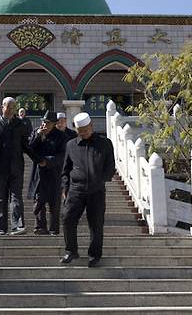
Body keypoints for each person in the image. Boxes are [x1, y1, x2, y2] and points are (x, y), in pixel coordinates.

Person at [60, 113, 115, 267]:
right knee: (67, 218)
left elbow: (110, 167)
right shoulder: (71, 145)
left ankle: (94, 255)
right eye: (80, 131)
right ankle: (71, 251)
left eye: (85, 129)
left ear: (91, 126)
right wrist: (65, 186)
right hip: (76, 190)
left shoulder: (105, 144)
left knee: (96, 223)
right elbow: (66, 169)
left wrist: (102, 180)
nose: (83, 133)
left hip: (96, 190)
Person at [0, 97, 41, 235]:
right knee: (0, 199)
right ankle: (1, 228)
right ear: (2, 107)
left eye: (13, 107)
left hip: (16, 167)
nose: (10, 110)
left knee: (16, 197)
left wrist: (38, 159)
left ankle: (18, 226)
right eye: (8, 107)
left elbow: (27, 145)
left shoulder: (20, 124)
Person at [27, 111, 67, 235]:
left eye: (48, 122)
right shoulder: (36, 132)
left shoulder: (61, 137)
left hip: (54, 172)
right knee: (39, 200)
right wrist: (39, 136)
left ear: (54, 124)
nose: (44, 124)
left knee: (54, 202)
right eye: (43, 121)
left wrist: (48, 161)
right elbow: (29, 148)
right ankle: (40, 226)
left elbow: (62, 155)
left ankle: (54, 228)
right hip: (38, 173)